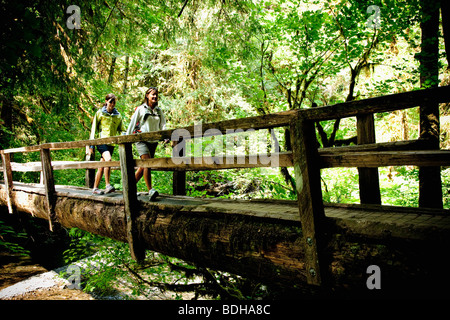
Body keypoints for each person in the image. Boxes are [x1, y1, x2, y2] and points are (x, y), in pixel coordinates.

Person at [126, 87, 166, 201]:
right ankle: (150, 190)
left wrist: (165, 136)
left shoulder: (159, 110)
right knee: (147, 163)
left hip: (153, 142)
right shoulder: (141, 109)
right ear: (147, 96)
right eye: (152, 94)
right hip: (142, 139)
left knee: (144, 166)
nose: (155, 97)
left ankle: (129, 187)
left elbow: (163, 125)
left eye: (156, 95)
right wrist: (127, 139)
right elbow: (132, 124)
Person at [87, 93, 127, 195]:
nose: (112, 105)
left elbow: (122, 129)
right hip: (101, 141)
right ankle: (107, 185)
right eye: (110, 102)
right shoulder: (100, 113)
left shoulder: (117, 116)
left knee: (102, 165)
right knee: (108, 160)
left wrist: (125, 136)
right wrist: (91, 144)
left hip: (111, 144)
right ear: (106, 102)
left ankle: (95, 188)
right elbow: (94, 129)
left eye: (114, 103)